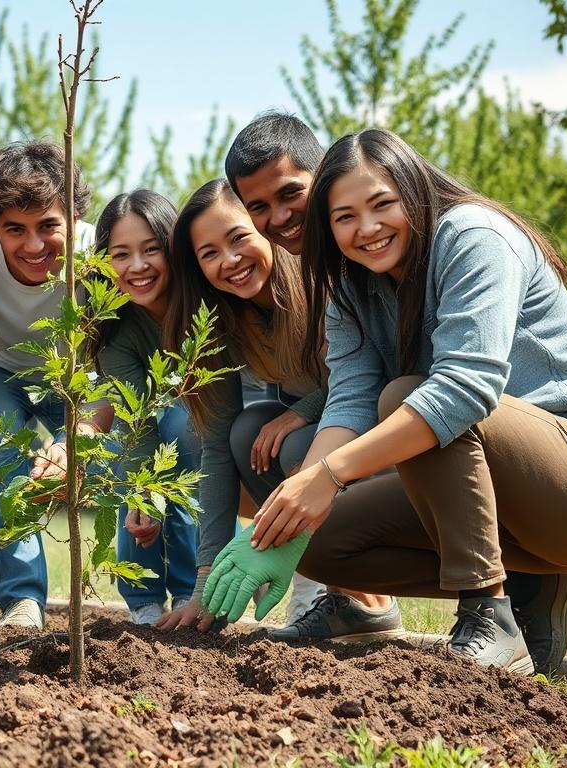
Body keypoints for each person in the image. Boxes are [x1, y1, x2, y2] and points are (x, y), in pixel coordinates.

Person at [218, 128, 567, 675]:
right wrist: (292, 509)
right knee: (321, 545)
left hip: (562, 476)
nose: (367, 229)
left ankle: (488, 611)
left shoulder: (473, 236)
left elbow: (464, 389)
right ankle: (525, 584)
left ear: (413, 190)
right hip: (497, 491)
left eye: (382, 204)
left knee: (412, 399)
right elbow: (350, 401)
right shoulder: (347, 284)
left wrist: (329, 476)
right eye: (345, 217)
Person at [224, 111, 393, 637]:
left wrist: (317, 472)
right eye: (259, 207)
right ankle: (355, 604)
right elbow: (354, 384)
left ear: (322, 175)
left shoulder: (366, 250)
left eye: (290, 193)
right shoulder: (334, 274)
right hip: (389, 425)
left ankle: (471, 597)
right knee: (259, 433)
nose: (278, 216)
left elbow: (390, 379)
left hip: (483, 430)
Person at [156, 180, 332, 634]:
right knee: (246, 432)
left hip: (370, 428)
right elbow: (213, 446)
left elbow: (368, 380)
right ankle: (323, 582)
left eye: (238, 238)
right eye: (209, 253)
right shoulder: (223, 320)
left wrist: (303, 411)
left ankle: (327, 588)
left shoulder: (321, 283)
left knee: (291, 446)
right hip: (311, 428)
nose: (230, 261)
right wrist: (203, 580)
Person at [0, 140, 112, 629]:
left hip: (75, 374)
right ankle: (22, 600)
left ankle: (152, 602)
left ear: (72, 218)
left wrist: (77, 438)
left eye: (49, 226)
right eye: (14, 230)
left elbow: (122, 357)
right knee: (0, 445)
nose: (33, 245)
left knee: (121, 457)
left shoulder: (98, 253)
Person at [91, 189, 199, 625]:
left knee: (184, 426)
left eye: (151, 249)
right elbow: (136, 415)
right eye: (121, 254)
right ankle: (144, 601)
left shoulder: (203, 303)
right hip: (147, 429)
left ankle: (196, 591)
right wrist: (143, 496)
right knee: (125, 449)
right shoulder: (116, 329)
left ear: (173, 249)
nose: (137, 266)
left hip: (204, 425)